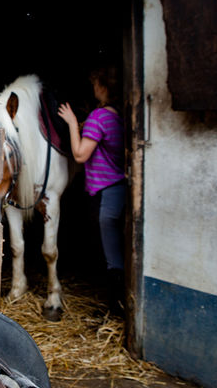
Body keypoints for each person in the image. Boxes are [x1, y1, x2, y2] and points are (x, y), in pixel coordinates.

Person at [57, 63, 125, 313]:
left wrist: (73, 123)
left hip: (105, 192)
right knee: (115, 248)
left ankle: (114, 309)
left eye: (95, 83)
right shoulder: (118, 114)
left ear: (102, 85)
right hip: (119, 188)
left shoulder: (100, 117)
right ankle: (116, 304)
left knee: (111, 254)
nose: (93, 87)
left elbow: (80, 154)